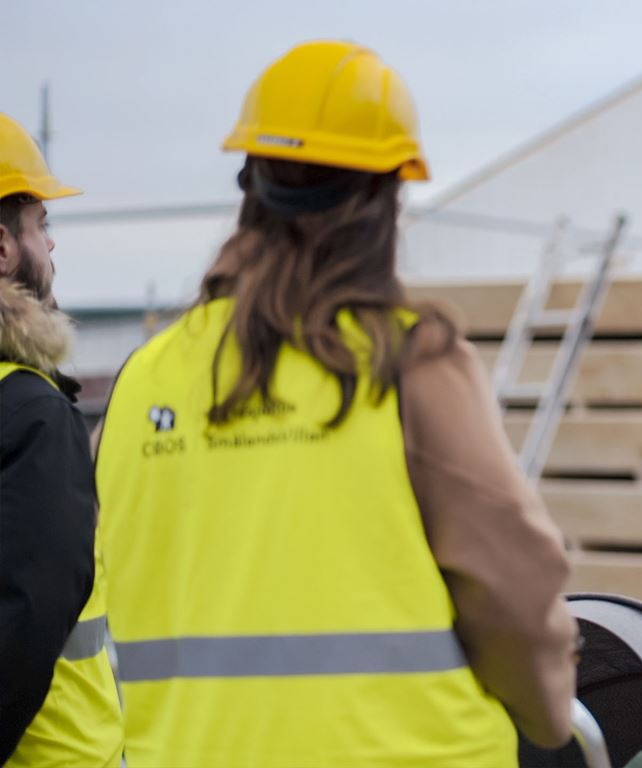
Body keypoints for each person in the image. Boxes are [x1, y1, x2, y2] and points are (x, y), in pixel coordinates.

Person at [94, 41, 577, 767]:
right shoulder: (408, 362)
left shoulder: (144, 380)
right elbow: (513, 588)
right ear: (386, 197)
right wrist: (550, 718)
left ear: (249, 181)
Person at [0, 114, 123, 766]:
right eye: (41, 226)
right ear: (2, 249)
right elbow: (24, 627)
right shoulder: (30, 415)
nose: (52, 248)